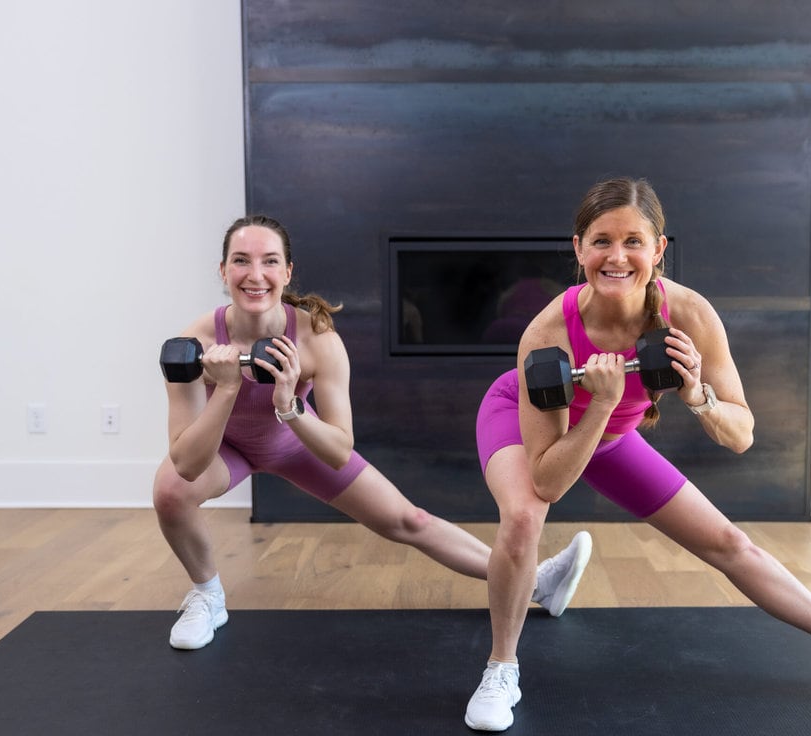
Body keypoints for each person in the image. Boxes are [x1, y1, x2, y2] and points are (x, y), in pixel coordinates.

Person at [464, 178, 811, 732]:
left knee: (729, 543)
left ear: (659, 249)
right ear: (578, 248)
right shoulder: (548, 332)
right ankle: (501, 669)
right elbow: (546, 481)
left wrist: (696, 396)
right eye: (601, 242)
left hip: (610, 435)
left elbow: (741, 435)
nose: (616, 257)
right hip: (535, 427)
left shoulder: (689, 313)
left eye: (633, 241)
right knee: (523, 516)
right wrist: (602, 404)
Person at [152, 214, 593, 650]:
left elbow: (340, 450)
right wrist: (227, 387)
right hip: (225, 447)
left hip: (297, 441)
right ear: (223, 270)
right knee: (170, 491)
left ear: (287, 272)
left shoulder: (317, 340)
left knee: (409, 520)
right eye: (241, 260)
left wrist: (289, 405)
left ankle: (534, 582)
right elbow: (188, 464)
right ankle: (208, 596)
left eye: (269, 261)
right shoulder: (197, 344)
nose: (255, 274)